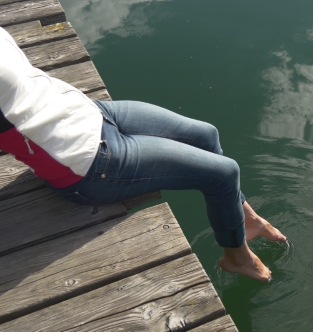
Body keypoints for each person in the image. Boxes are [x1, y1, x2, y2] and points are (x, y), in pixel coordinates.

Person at [0, 26, 285, 281]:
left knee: (206, 134)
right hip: (90, 164)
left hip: (94, 114)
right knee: (224, 174)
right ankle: (237, 258)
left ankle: (245, 218)